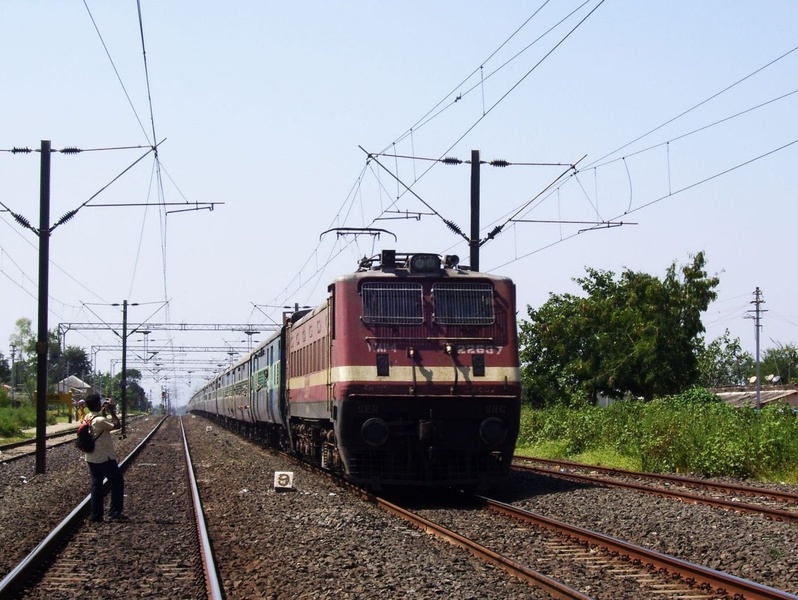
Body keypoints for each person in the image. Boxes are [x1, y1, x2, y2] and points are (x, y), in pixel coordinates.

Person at [83, 393, 127, 522]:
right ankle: (114, 512)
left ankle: (96, 515)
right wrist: (112, 411)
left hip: (90, 457)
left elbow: (98, 421)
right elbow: (117, 425)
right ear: (97, 404)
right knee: (117, 481)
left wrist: (102, 411)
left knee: (96, 484)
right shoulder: (101, 421)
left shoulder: (87, 417)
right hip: (104, 457)